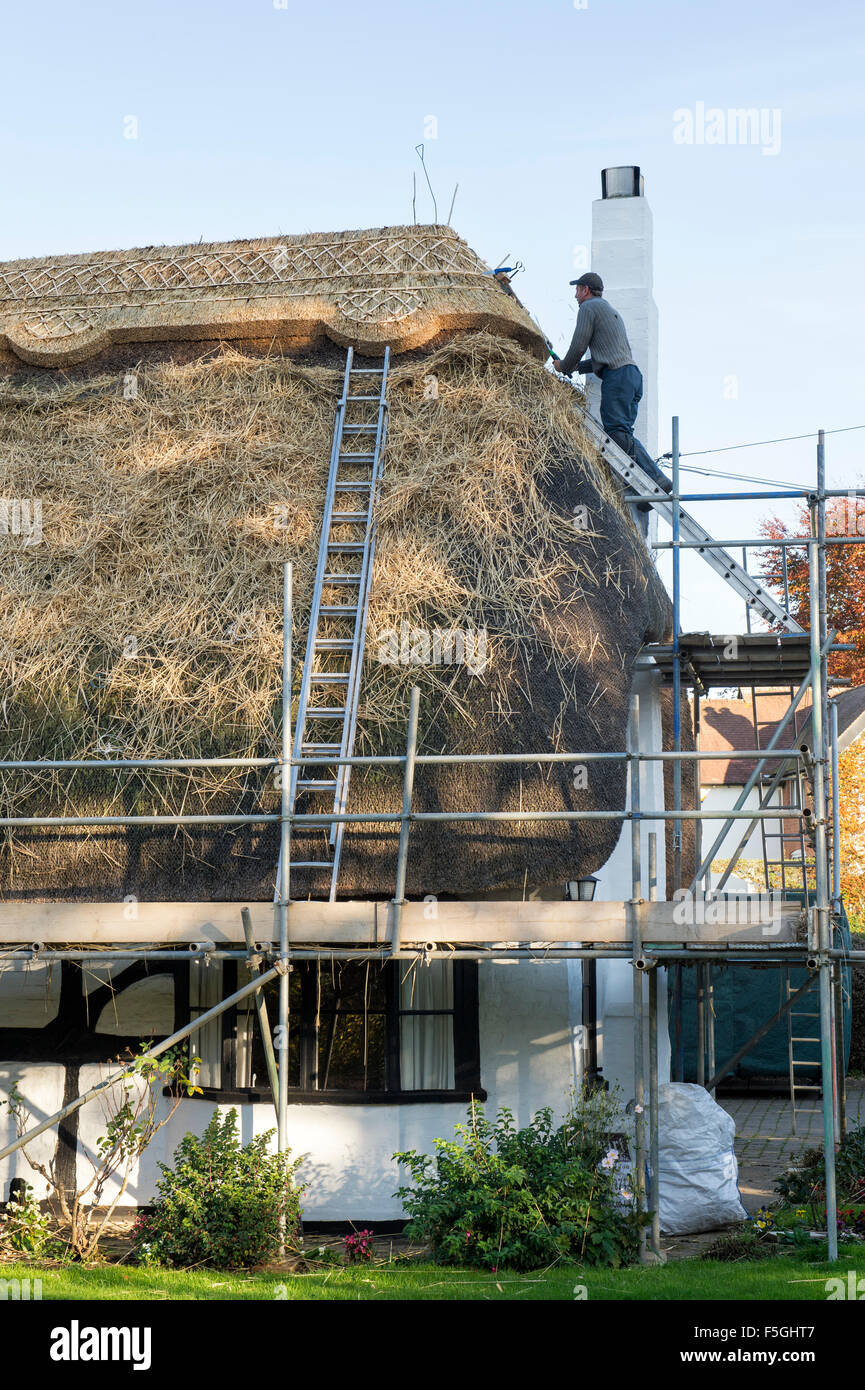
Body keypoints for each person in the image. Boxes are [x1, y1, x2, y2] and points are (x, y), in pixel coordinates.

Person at [552, 272, 671, 530]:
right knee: (622, 434)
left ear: (585, 290)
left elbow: (578, 344)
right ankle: (646, 489)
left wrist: (564, 366)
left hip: (618, 377)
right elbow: (599, 358)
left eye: (577, 290)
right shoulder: (608, 311)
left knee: (616, 435)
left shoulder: (589, 308)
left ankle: (654, 480)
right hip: (631, 376)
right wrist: (576, 369)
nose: (575, 296)